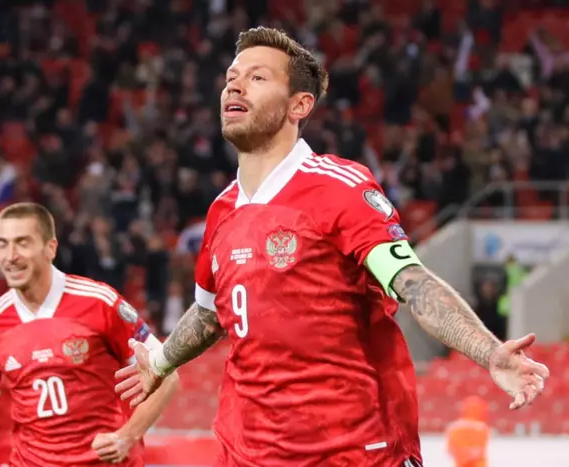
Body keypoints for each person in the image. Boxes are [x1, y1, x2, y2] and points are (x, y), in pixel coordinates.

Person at [114, 27, 550, 467]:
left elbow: (413, 283)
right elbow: (210, 315)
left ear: (299, 105)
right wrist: (161, 361)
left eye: (258, 77)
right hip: (247, 454)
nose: (235, 85)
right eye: (232, 77)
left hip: (352, 452)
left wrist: (488, 352)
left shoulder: (340, 188)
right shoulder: (221, 211)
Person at [0, 202, 179, 466]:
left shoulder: (100, 303)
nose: (10, 256)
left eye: (22, 243)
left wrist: (127, 436)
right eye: (2, 244)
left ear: (50, 248)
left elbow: (167, 375)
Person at [446, 395, 490, 467]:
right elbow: (481, 451)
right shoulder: (482, 429)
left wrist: (463, 456)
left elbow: (451, 449)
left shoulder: (455, 428)